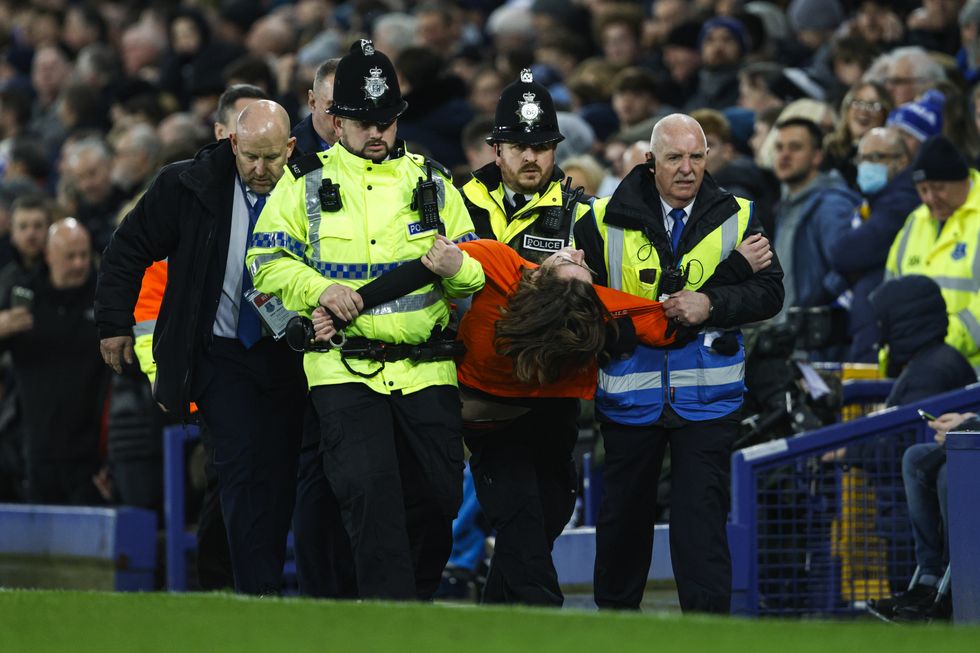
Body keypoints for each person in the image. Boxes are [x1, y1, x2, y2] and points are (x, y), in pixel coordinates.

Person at [307, 231, 773, 607]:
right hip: (484, 431)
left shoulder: (553, 287)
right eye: (578, 263)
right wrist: (344, 305)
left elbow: (672, 318)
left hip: (542, 422)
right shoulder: (525, 274)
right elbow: (425, 267)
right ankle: (546, 624)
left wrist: (730, 276)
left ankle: (496, 617)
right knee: (523, 527)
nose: (576, 251)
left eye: (574, 262)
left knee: (549, 515)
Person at [246, 39, 484, 601]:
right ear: (336, 120)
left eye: (387, 121)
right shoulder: (301, 180)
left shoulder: (433, 180)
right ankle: (392, 617)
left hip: (426, 369)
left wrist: (459, 267)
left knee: (440, 496)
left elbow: (474, 275)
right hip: (342, 368)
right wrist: (321, 288)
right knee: (369, 494)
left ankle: (412, 600)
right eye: (363, 121)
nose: (377, 132)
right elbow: (265, 264)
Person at [573, 113, 784, 613]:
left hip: (709, 399)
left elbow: (770, 293)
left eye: (696, 156)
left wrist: (711, 306)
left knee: (701, 523)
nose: (687, 169)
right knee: (623, 520)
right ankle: (615, 631)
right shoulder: (599, 219)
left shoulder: (739, 213)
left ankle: (708, 637)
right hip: (628, 396)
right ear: (651, 162)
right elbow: (583, 307)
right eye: (674, 158)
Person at [96, 99, 306, 596]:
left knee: (278, 474)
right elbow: (127, 249)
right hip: (222, 354)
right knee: (239, 465)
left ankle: (256, 585)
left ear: (291, 148)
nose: (260, 169)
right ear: (232, 142)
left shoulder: (315, 189)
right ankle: (258, 593)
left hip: (292, 355)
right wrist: (113, 323)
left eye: (272, 158)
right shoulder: (185, 186)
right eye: (250, 156)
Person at [0, 219, 107, 505]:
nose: (79, 264)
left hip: (91, 456)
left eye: (84, 255)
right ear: (48, 255)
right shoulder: (22, 297)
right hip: (35, 451)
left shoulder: (105, 298)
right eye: (70, 256)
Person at [460, 69, 593, 265]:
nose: (530, 157)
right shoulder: (460, 205)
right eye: (519, 147)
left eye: (541, 148)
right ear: (497, 152)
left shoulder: (585, 214)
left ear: (554, 152)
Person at [884, 135, 980, 369]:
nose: (930, 198)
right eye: (923, 190)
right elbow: (890, 292)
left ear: (963, 180)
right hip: (919, 365)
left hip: (970, 374)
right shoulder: (915, 222)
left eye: (938, 188)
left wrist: (938, 343)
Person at [829, 127, 920, 363]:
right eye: (862, 158)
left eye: (876, 157)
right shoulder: (874, 203)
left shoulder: (904, 200)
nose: (866, 165)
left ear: (901, 161)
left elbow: (844, 253)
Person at [770, 117, 859, 333]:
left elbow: (847, 268)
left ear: (817, 156)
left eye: (795, 147)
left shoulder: (832, 206)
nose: (784, 155)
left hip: (818, 343)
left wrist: (813, 307)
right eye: (779, 147)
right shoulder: (787, 206)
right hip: (791, 340)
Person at [291, 58, 339, 155]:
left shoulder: (373, 145)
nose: (345, 118)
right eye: (334, 107)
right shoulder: (289, 154)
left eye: (352, 106)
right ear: (312, 102)